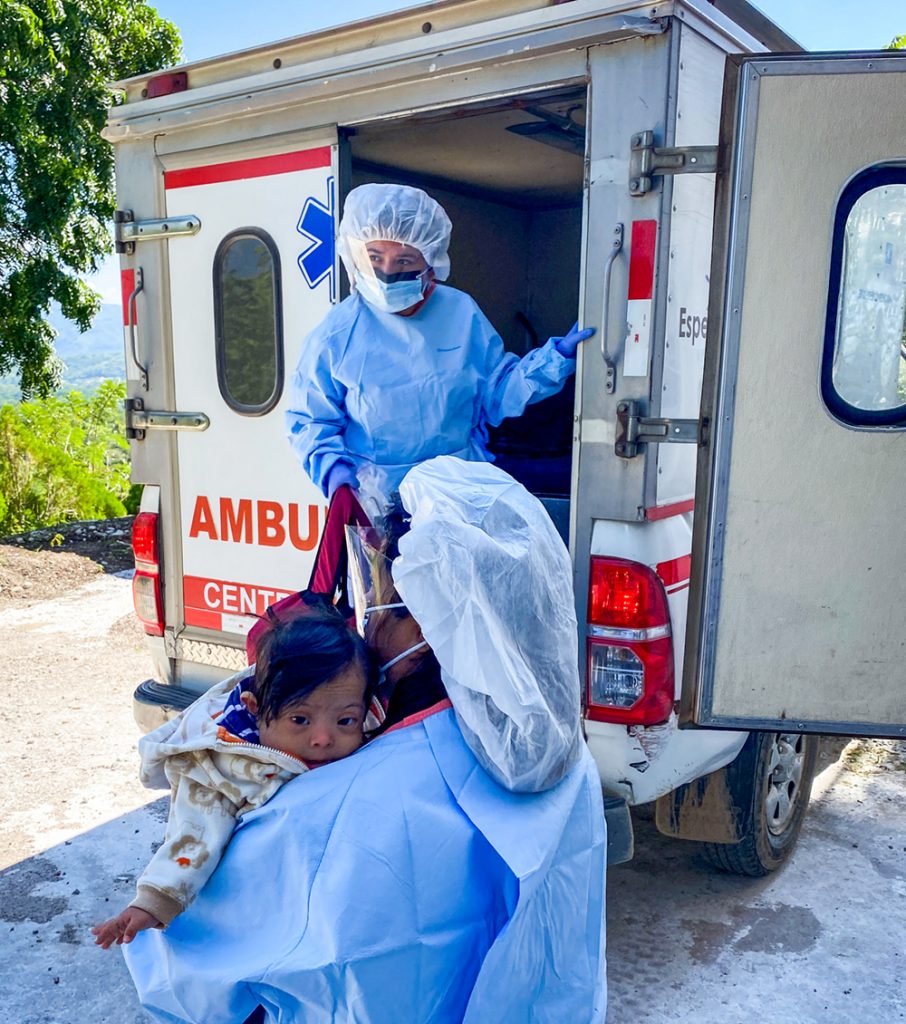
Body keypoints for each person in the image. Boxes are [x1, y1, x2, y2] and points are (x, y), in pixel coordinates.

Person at [122, 459, 606, 1024]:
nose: (369, 624)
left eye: (383, 604)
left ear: (435, 622)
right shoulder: (553, 750)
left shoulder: (341, 806)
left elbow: (197, 977)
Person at [285, 182, 595, 512]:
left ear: (431, 261)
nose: (388, 273)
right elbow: (311, 422)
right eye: (374, 257)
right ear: (355, 255)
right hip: (377, 504)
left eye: (404, 260)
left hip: (461, 494)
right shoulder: (337, 334)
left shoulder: (461, 313)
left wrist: (556, 359)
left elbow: (498, 391)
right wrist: (336, 477)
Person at [92, 607, 379, 949]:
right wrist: (153, 901)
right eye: (300, 720)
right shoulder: (220, 770)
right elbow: (192, 837)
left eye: (345, 721)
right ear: (255, 707)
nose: (323, 738)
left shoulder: (366, 734)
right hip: (262, 914)